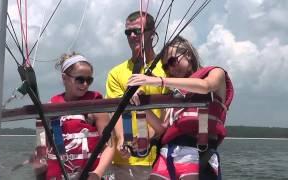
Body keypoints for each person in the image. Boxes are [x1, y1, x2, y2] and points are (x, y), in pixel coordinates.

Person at [127, 36, 234, 179]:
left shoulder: (215, 72)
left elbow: (206, 86)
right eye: (166, 67)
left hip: (197, 152)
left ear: (188, 54)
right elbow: (161, 128)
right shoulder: (173, 95)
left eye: (172, 61)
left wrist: (159, 81)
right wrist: (141, 105)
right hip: (167, 154)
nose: (170, 68)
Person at [105, 11, 167, 179]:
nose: (132, 36)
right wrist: (121, 140)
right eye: (128, 32)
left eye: (137, 31)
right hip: (125, 160)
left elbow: (170, 114)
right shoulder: (115, 73)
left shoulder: (168, 70)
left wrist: (149, 138)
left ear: (152, 34)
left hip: (160, 158)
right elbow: (115, 111)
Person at [34, 52, 115, 180]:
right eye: (80, 79)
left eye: (89, 80)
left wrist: (96, 174)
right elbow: (43, 148)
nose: (85, 85)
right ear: (64, 78)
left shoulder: (96, 107)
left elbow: (110, 145)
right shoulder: (51, 108)